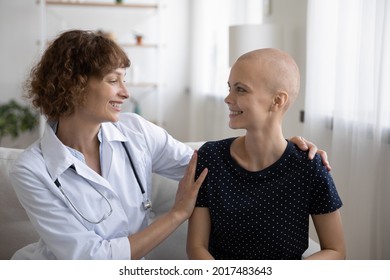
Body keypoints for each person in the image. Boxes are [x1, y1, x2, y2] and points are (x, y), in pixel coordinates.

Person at [10, 30, 327, 260]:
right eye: (113, 80)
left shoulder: (135, 132)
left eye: (124, 80)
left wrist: (279, 151)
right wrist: (177, 214)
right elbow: (92, 261)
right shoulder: (32, 168)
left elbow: (211, 164)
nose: (125, 92)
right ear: (75, 84)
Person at [187, 48, 346, 260]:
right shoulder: (210, 158)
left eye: (241, 89)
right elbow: (196, 247)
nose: (228, 98)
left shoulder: (309, 165)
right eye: (229, 88)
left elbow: (337, 251)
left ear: (277, 101)